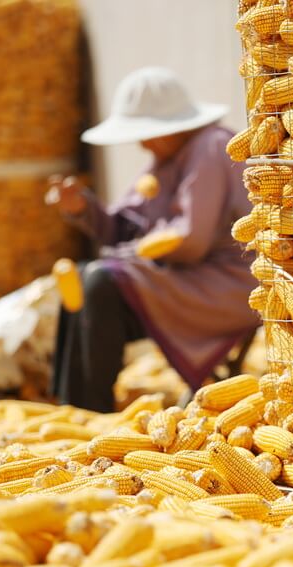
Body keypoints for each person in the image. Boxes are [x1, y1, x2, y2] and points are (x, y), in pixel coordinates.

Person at [46, 67, 259, 412]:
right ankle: (69, 405)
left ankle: (92, 408)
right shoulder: (166, 159)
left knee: (101, 281)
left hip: (229, 284)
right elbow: (123, 229)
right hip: (186, 277)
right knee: (84, 277)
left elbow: (190, 242)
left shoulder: (211, 146)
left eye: (147, 135)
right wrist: (82, 207)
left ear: (172, 127)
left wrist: (129, 255)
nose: (143, 145)